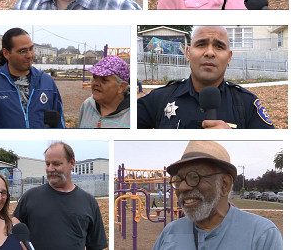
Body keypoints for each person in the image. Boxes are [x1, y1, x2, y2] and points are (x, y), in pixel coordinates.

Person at [153, 141, 283, 250]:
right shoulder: (170, 231)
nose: (182, 187)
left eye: (194, 177)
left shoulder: (261, 235)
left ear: (224, 185)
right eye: (178, 180)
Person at [137, 26, 274, 129]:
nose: (209, 53)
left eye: (219, 46)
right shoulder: (160, 99)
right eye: (201, 44)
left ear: (229, 57)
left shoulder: (247, 104)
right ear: (188, 53)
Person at [12, 142, 108, 250]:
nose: (50, 169)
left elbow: (96, 245)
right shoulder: (30, 196)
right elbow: (14, 223)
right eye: (47, 164)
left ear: (71, 163)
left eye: (56, 164)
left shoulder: (89, 202)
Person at [0, 28, 65, 128]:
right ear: (6, 53)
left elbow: (59, 120)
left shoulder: (47, 81)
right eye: (22, 51)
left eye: (31, 49)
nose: (29, 55)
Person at [78, 55, 130, 128]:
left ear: (121, 87)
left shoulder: (132, 117)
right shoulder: (87, 105)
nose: (96, 83)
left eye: (104, 80)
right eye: (95, 77)